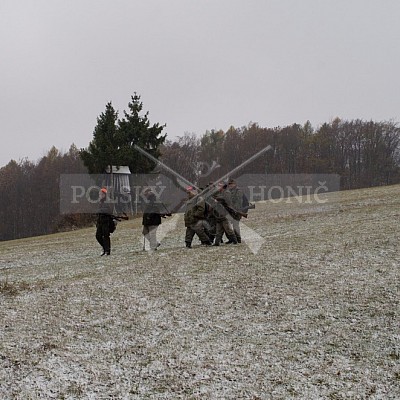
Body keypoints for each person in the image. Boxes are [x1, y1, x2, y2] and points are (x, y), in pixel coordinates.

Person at [209, 182, 238, 246]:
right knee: (219, 230)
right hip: (219, 214)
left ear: (223, 187)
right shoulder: (219, 193)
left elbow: (227, 202)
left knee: (228, 229)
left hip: (225, 213)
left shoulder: (226, 193)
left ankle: (235, 241)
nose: (218, 187)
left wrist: (218, 200)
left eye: (219, 186)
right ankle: (217, 243)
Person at [227, 178, 247, 243]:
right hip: (231, 211)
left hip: (237, 211)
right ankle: (232, 239)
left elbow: (238, 202)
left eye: (231, 184)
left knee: (235, 225)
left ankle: (238, 239)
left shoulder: (238, 191)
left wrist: (235, 209)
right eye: (229, 184)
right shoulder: (229, 191)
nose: (230, 185)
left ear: (235, 184)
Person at [96, 187, 114, 256]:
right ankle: (104, 248)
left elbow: (109, 211)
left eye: (101, 194)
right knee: (98, 236)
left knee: (106, 236)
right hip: (100, 221)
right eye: (99, 194)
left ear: (104, 194)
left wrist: (100, 211)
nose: (99, 195)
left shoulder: (108, 201)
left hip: (106, 221)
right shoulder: (100, 202)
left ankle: (107, 251)